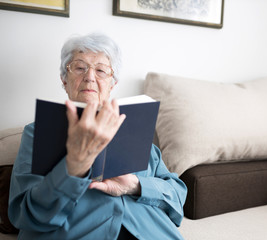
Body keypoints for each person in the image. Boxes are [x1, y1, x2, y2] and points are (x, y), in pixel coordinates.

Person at [8, 33, 187, 240]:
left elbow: (177, 196)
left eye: (101, 70)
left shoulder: (138, 131)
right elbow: (24, 214)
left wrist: (135, 185)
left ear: (112, 84)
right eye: (79, 67)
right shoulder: (37, 132)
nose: (90, 77)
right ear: (64, 81)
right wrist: (73, 168)